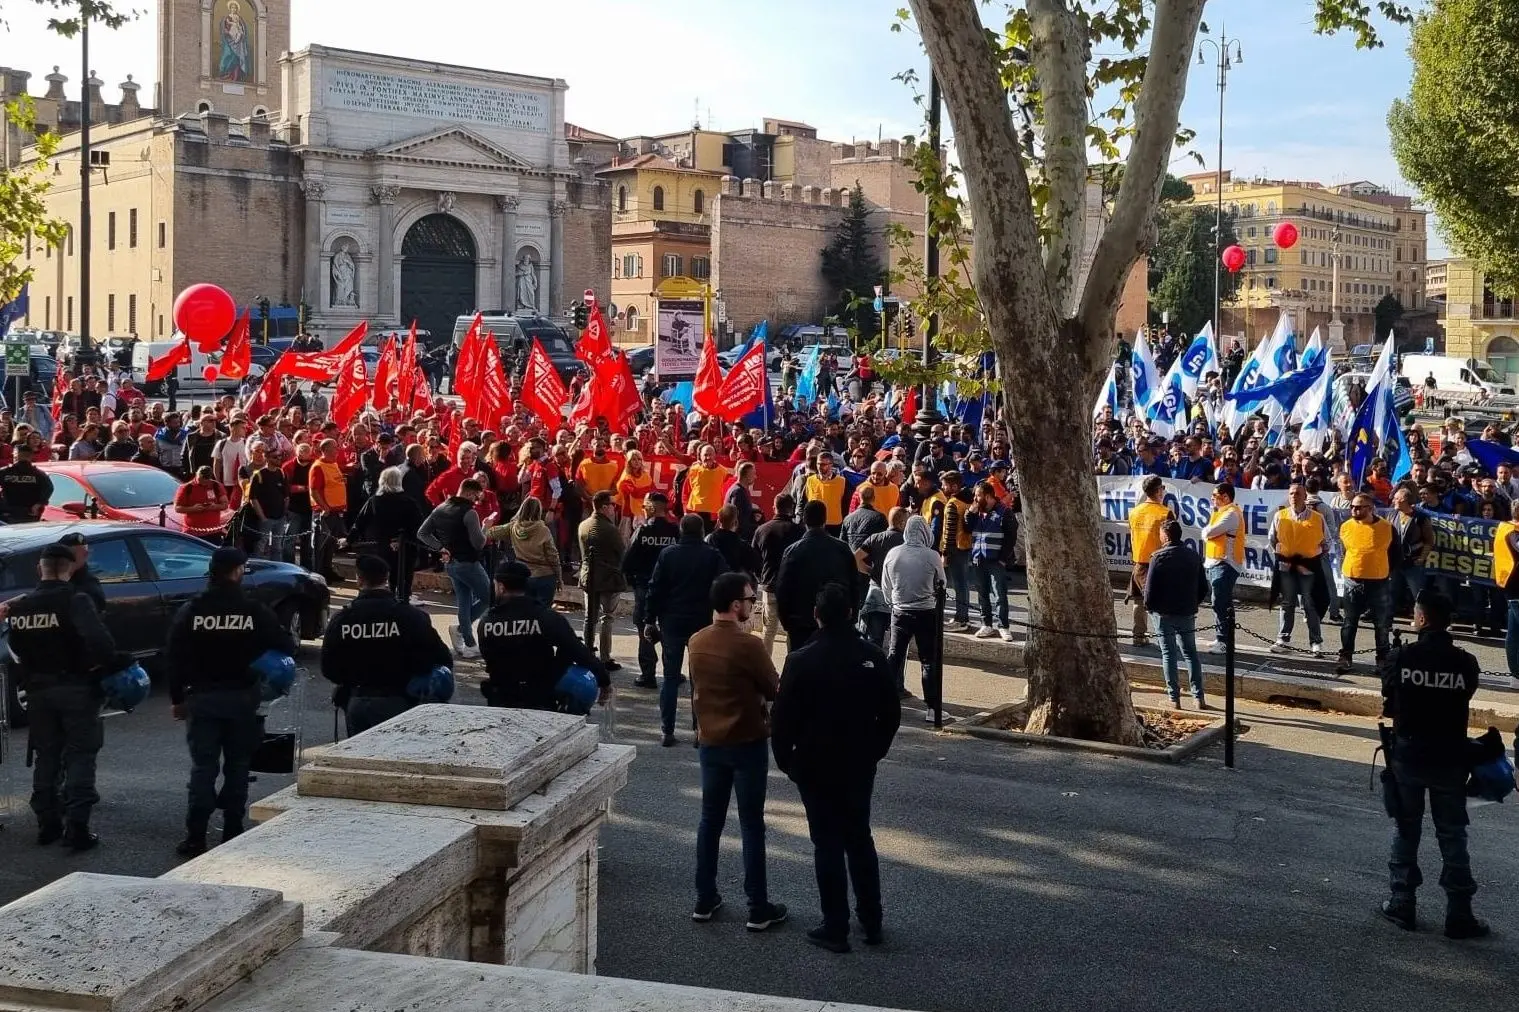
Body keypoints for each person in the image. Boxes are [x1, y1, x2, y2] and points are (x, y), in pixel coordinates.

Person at [773, 582, 901, 952]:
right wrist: (875, 750)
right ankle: (871, 919)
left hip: (814, 764)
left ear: (817, 616)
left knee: (825, 843)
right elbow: (890, 713)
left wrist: (788, 762)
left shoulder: (801, 659)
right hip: (858, 760)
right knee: (859, 838)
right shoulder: (872, 656)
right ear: (850, 613)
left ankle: (835, 924)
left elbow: (782, 721)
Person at [166, 547, 296, 856]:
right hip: (242, 699)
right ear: (237, 571)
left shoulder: (192, 610)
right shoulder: (253, 611)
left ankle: (195, 836)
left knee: (203, 768)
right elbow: (286, 645)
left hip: (203, 698)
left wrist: (176, 698)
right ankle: (233, 833)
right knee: (238, 767)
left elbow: (173, 657)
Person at [1377, 590, 1488, 939]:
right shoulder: (1466, 662)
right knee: (1452, 834)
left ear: (1421, 619)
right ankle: (1459, 913)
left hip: (1409, 755)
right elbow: (1465, 693)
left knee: (1406, 830)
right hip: (1450, 758)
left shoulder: (1401, 658)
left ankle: (1401, 902)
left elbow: (1390, 700)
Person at [686, 572, 788, 931]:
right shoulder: (750, 645)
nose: (753, 604)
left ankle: (704, 896)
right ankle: (757, 906)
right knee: (751, 824)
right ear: (735, 605)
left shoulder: (696, 641)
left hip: (711, 741)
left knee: (709, 821)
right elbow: (775, 688)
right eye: (749, 599)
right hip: (747, 741)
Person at [9, 544, 117, 850]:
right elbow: (101, 641)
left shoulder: (22, 606)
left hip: (38, 692)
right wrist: (100, 663)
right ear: (69, 570)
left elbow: (16, 650)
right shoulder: (75, 599)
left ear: (39, 569)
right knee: (81, 754)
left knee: (47, 754)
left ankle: (47, 822)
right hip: (77, 688)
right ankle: (77, 828)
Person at [320, 554, 451, 736]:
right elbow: (440, 657)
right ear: (387, 579)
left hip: (358, 702)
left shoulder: (343, 619)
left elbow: (328, 667)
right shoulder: (410, 616)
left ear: (359, 580)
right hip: (400, 701)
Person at [477, 562, 610, 710]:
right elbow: (578, 651)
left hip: (501, 700)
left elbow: (489, 657)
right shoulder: (545, 616)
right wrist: (604, 680)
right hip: (540, 698)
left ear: (501, 587)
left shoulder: (487, 622)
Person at [645, 514, 729, 746]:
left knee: (670, 677)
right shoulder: (712, 555)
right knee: (699, 680)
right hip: (700, 621)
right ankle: (699, 730)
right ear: (702, 531)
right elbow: (725, 582)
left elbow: (655, 588)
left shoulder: (668, 554)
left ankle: (667, 730)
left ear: (681, 530)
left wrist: (649, 618)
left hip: (671, 620)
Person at [417, 478, 491, 660]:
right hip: (469, 563)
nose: (476, 500)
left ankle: (468, 640)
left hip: (451, 563)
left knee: (464, 602)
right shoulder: (470, 513)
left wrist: (440, 547)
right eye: (475, 496)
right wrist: (486, 527)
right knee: (490, 597)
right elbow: (479, 543)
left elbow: (422, 533)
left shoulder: (440, 508)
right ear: (468, 493)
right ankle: (462, 632)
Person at [882, 515, 947, 719]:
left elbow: (886, 585)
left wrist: (893, 602)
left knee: (894, 656)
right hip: (926, 612)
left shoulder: (894, 553)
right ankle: (932, 708)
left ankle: (886, 703)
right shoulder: (932, 556)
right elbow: (942, 584)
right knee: (928, 660)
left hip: (900, 611)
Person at [1143, 521, 1210, 709]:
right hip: (1186, 611)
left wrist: (1150, 608)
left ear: (1165, 536)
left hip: (1163, 613)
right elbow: (1203, 587)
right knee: (1190, 653)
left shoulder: (1158, 557)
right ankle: (1199, 697)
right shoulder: (1193, 556)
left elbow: (1149, 589)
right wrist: (1193, 603)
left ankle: (1174, 698)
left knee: (1168, 654)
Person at [775, 501, 858, 652]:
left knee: (801, 668)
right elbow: (855, 586)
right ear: (825, 520)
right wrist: (851, 618)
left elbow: (782, 590)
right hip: (835, 621)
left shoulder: (793, 551)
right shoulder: (842, 549)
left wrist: (787, 622)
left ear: (804, 520)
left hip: (801, 623)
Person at [622, 492, 680, 689]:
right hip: (669, 589)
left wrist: (633, 579)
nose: (644, 510)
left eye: (646, 507)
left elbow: (628, 560)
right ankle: (672, 670)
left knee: (644, 629)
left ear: (652, 508)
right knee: (669, 629)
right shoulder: (674, 531)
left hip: (644, 586)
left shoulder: (643, 531)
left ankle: (648, 674)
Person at [1268, 480, 1327, 657]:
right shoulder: (1280, 516)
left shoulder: (1318, 518)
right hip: (1286, 567)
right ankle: (1283, 639)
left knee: (1310, 604)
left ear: (1305, 496)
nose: (1294, 497)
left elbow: (1327, 543)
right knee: (1287, 604)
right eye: (1291, 493)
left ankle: (1316, 642)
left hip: (1308, 568)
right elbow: (1273, 539)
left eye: (1298, 493)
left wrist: (1312, 559)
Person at [351, 466, 426, 603]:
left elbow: (360, 522)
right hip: (405, 546)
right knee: (404, 575)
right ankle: (404, 599)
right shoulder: (409, 502)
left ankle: (385, 599)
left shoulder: (374, 501)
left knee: (382, 573)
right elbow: (418, 525)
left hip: (381, 545)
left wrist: (349, 539)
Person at [1339, 492, 1395, 674]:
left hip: (1378, 582)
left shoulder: (1387, 528)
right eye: (1352, 507)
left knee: (1381, 624)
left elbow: (1396, 553)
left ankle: (1382, 659)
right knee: (1349, 622)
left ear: (1370, 508)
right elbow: (1344, 550)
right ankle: (1345, 657)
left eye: (1358, 507)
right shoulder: (1346, 526)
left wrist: (1385, 571)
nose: (1354, 510)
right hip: (1352, 580)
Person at [577, 489, 628, 671]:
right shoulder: (609, 529)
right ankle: (605, 658)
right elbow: (622, 553)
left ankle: (587, 653)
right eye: (612, 505)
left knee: (589, 618)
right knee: (607, 617)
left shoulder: (583, 525)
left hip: (587, 575)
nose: (614, 508)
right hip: (608, 578)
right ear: (604, 507)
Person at [964, 480, 1017, 641]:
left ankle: (1003, 626)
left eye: (978, 495)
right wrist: (970, 513)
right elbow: (967, 528)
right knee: (982, 593)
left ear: (987, 496)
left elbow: (1011, 537)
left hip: (996, 560)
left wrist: (1003, 559)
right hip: (978, 558)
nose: (975, 498)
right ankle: (986, 624)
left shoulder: (1004, 512)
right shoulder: (976, 512)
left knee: (1000, 594)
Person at [1126, 475, 1173, 647]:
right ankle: (1164, 639)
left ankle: (1138, 636)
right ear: (1159, 490)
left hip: (1138, 562)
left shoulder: (1134, 512)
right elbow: (1171, 539)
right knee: (1160, 604)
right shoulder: (1165, 513)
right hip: (1158, 563)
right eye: (1163, 489)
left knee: (1138, 601)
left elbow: (1130, 532)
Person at [752, 494, 802, 654]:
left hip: (770, 584)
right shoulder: (798, 531)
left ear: (775, 507)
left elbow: (754, 558)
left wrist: (761, 577)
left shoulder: (762, 529)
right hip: (792, 587)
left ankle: (765, 667)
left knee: (769, 629)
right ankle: (791, 666)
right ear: (791, 508)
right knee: (792, 630)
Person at [856, 507, 908, 651]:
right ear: (902, 524)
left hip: (876, 593)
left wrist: (869, 571)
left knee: (873, 640)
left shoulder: (875, 538)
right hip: (898, 596)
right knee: (896, 644)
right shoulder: (905, 542)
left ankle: (872, 669)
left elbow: (856, 558)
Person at [1200, 482, 1243, 652]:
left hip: (1226, 562)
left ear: (1225, 497)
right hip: (1217, 561)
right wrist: (1207, 532)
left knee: (1220, 601)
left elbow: (1208, 532)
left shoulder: (1231, 514)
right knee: (1221, 601)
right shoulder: (1221, 512)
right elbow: (1208, 532)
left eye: (1215, 496)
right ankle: (1224, 638)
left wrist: (1207, 532)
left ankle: (1223, 640)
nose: (1212, 499)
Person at [309, 439, 350, 583]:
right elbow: (314, 491)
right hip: (325, 513)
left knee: (331, 545)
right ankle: (319, 573)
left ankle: (327, 570)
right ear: (325, 449)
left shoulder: (333, 464)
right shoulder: (318, 467)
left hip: (337, 511)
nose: (337, 450)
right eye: (334, 448)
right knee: (321, 545)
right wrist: (324, 507)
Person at [1390, 487, 1433, 613]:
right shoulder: (1392, 514)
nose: (1393, 501)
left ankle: (1423, 619)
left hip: (1413, 563)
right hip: (1396, 562)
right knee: (1391, 592)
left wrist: (1421, 558)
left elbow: (1429, 541)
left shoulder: (1421, 518)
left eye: (1396, 498)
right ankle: (1387, 621)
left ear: (1404, 500)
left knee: (1418, 594)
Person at [0, 440, 53, 523]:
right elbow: (49, 488)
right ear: (31, 456)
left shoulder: (5, 472)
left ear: (16, 456)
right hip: (30, 514)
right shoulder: (39, 474)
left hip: (8, 514)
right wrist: (39, 504)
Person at [706, 504, 760, 577]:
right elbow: (756, 564)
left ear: (718, 521)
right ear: (736, 523)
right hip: (734, 584)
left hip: (713, 583)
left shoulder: (708, 540)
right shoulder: (743, 545)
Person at [803, 452, 848, 537]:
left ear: (831, 465)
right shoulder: (810, 480)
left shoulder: (841, 481)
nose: (820, 467)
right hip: (814, 525)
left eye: (823, 464)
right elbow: (805, 501)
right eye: (818, 464)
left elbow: (845, 504)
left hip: (834, 525)